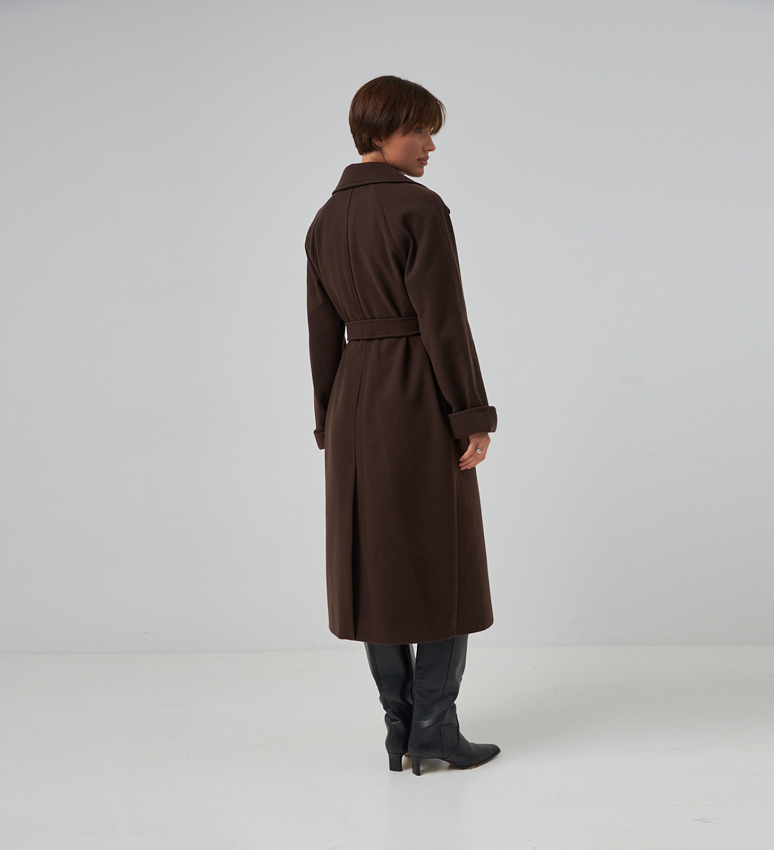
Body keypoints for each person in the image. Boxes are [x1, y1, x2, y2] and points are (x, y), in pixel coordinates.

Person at [305, 75, 500, 775]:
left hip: (354, 402)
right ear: (381, 131)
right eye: (419, 130)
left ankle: (400, 730)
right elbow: (444, 322)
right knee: (443, 562)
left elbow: (321, 334)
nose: (430, 145)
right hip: (417, 395)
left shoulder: (324, 220)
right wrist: (471, 414)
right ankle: (435, 728)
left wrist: (328, 422)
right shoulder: (419, 208)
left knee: (376, 567)